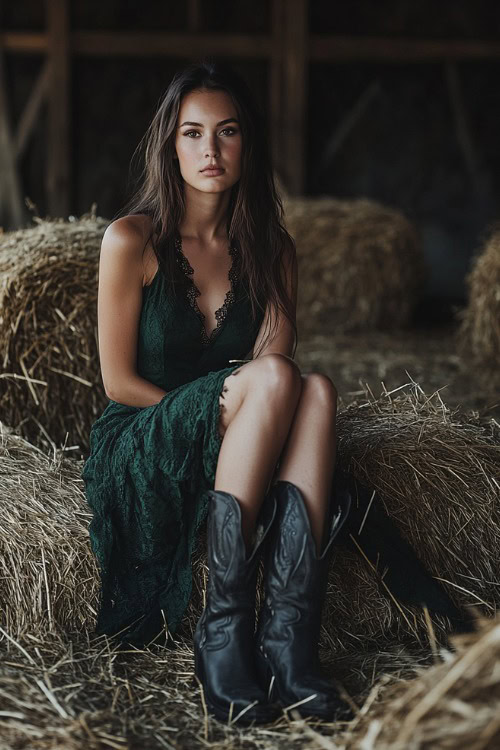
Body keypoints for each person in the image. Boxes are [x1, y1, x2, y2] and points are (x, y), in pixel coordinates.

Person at [81, 58, 353, 726]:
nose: (210, 150)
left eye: (227, 132)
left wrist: (244, 408)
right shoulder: (131, 240)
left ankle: (289, 646)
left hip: (247, 429)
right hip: (145, 436)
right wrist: (217, 413)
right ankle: (223, 636)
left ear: (246, 145)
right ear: (170, 145)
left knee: (314, 389)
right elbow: (117, 382)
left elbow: (277, 374)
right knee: (281, 381)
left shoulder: (271, 248)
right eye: (193, 133)